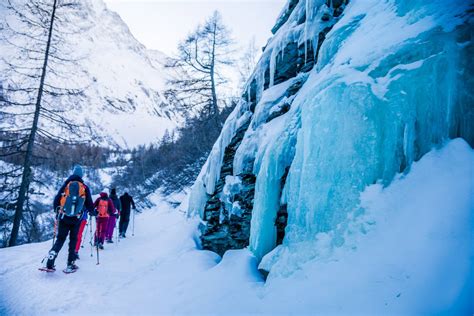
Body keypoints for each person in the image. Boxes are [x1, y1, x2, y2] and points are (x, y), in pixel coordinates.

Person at [45, 165, 93, 271]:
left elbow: (57, 198)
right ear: (81, 175)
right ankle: (70, 264)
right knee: (73, 240)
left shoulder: (66, 184)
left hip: (64, 216)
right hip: (76, 218)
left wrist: (56, 210)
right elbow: (89, 204)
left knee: (60, 239)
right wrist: (93, 212)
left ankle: (51, 259)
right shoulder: (84, 187)